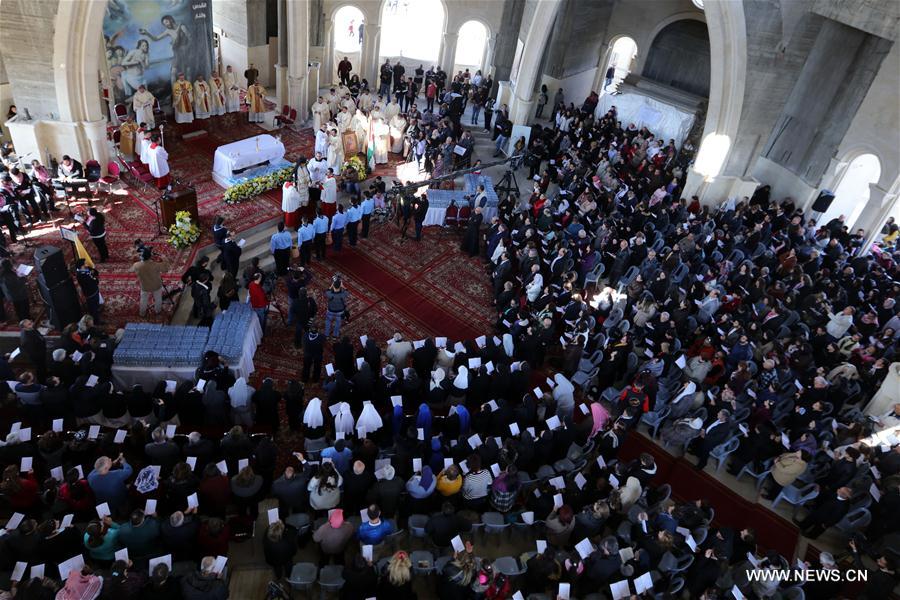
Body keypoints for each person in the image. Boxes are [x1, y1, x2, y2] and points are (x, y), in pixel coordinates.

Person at [131, 246, 170, 317]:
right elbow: (166, 269)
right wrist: (165, 259)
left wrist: (135, 257)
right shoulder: (155, 265)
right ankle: (157, 311)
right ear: (150, 256)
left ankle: (142, 313)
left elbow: (131, 270)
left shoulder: (136, 265)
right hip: (156, 285)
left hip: (145, 285)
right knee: (158, 298)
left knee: (143, 299)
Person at [74, 258, 101, 322]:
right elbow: (94, 282)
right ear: (81, 266)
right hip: (90, 294)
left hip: (95, 290)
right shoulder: (80, 276)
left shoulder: (87, 269)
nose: (87, 264)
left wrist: (93, 272)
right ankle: (96, 321)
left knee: (97, 306)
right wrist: (93, 276)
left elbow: (96, 272)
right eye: (85, 263)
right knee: (93, 309)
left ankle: (97, 314)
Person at [325, 275, 348, 340]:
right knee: (338, 323)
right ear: (340, 286)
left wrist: (331, 286)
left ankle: (326, 335)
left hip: (330, 310)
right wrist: (343, 286)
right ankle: (335, 336)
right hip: (340, 311)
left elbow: (326, 292)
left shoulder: (329, 294)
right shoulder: (343, 294)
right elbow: (347, 292)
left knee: (328, 322)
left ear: (333, 286)